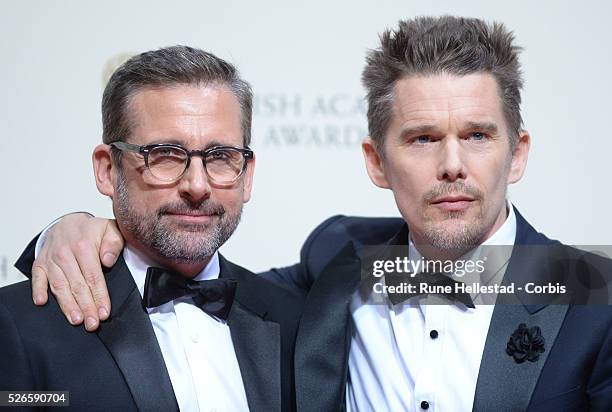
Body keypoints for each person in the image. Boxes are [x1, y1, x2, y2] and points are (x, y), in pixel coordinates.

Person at [14, 17, 612, 411]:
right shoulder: (338, 264)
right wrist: (65, 232)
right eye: (423, 139)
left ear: (518, 153)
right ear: (376, 162)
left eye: (478, 135)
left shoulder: (595, 299)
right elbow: (200, 272)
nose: (452, 165)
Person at [1, 45, 303, 412]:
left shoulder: (298, 322)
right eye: (165, 154)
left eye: (221, 157)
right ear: (107, 170)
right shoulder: (20, 325)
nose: (197, 185)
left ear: (248, 175)